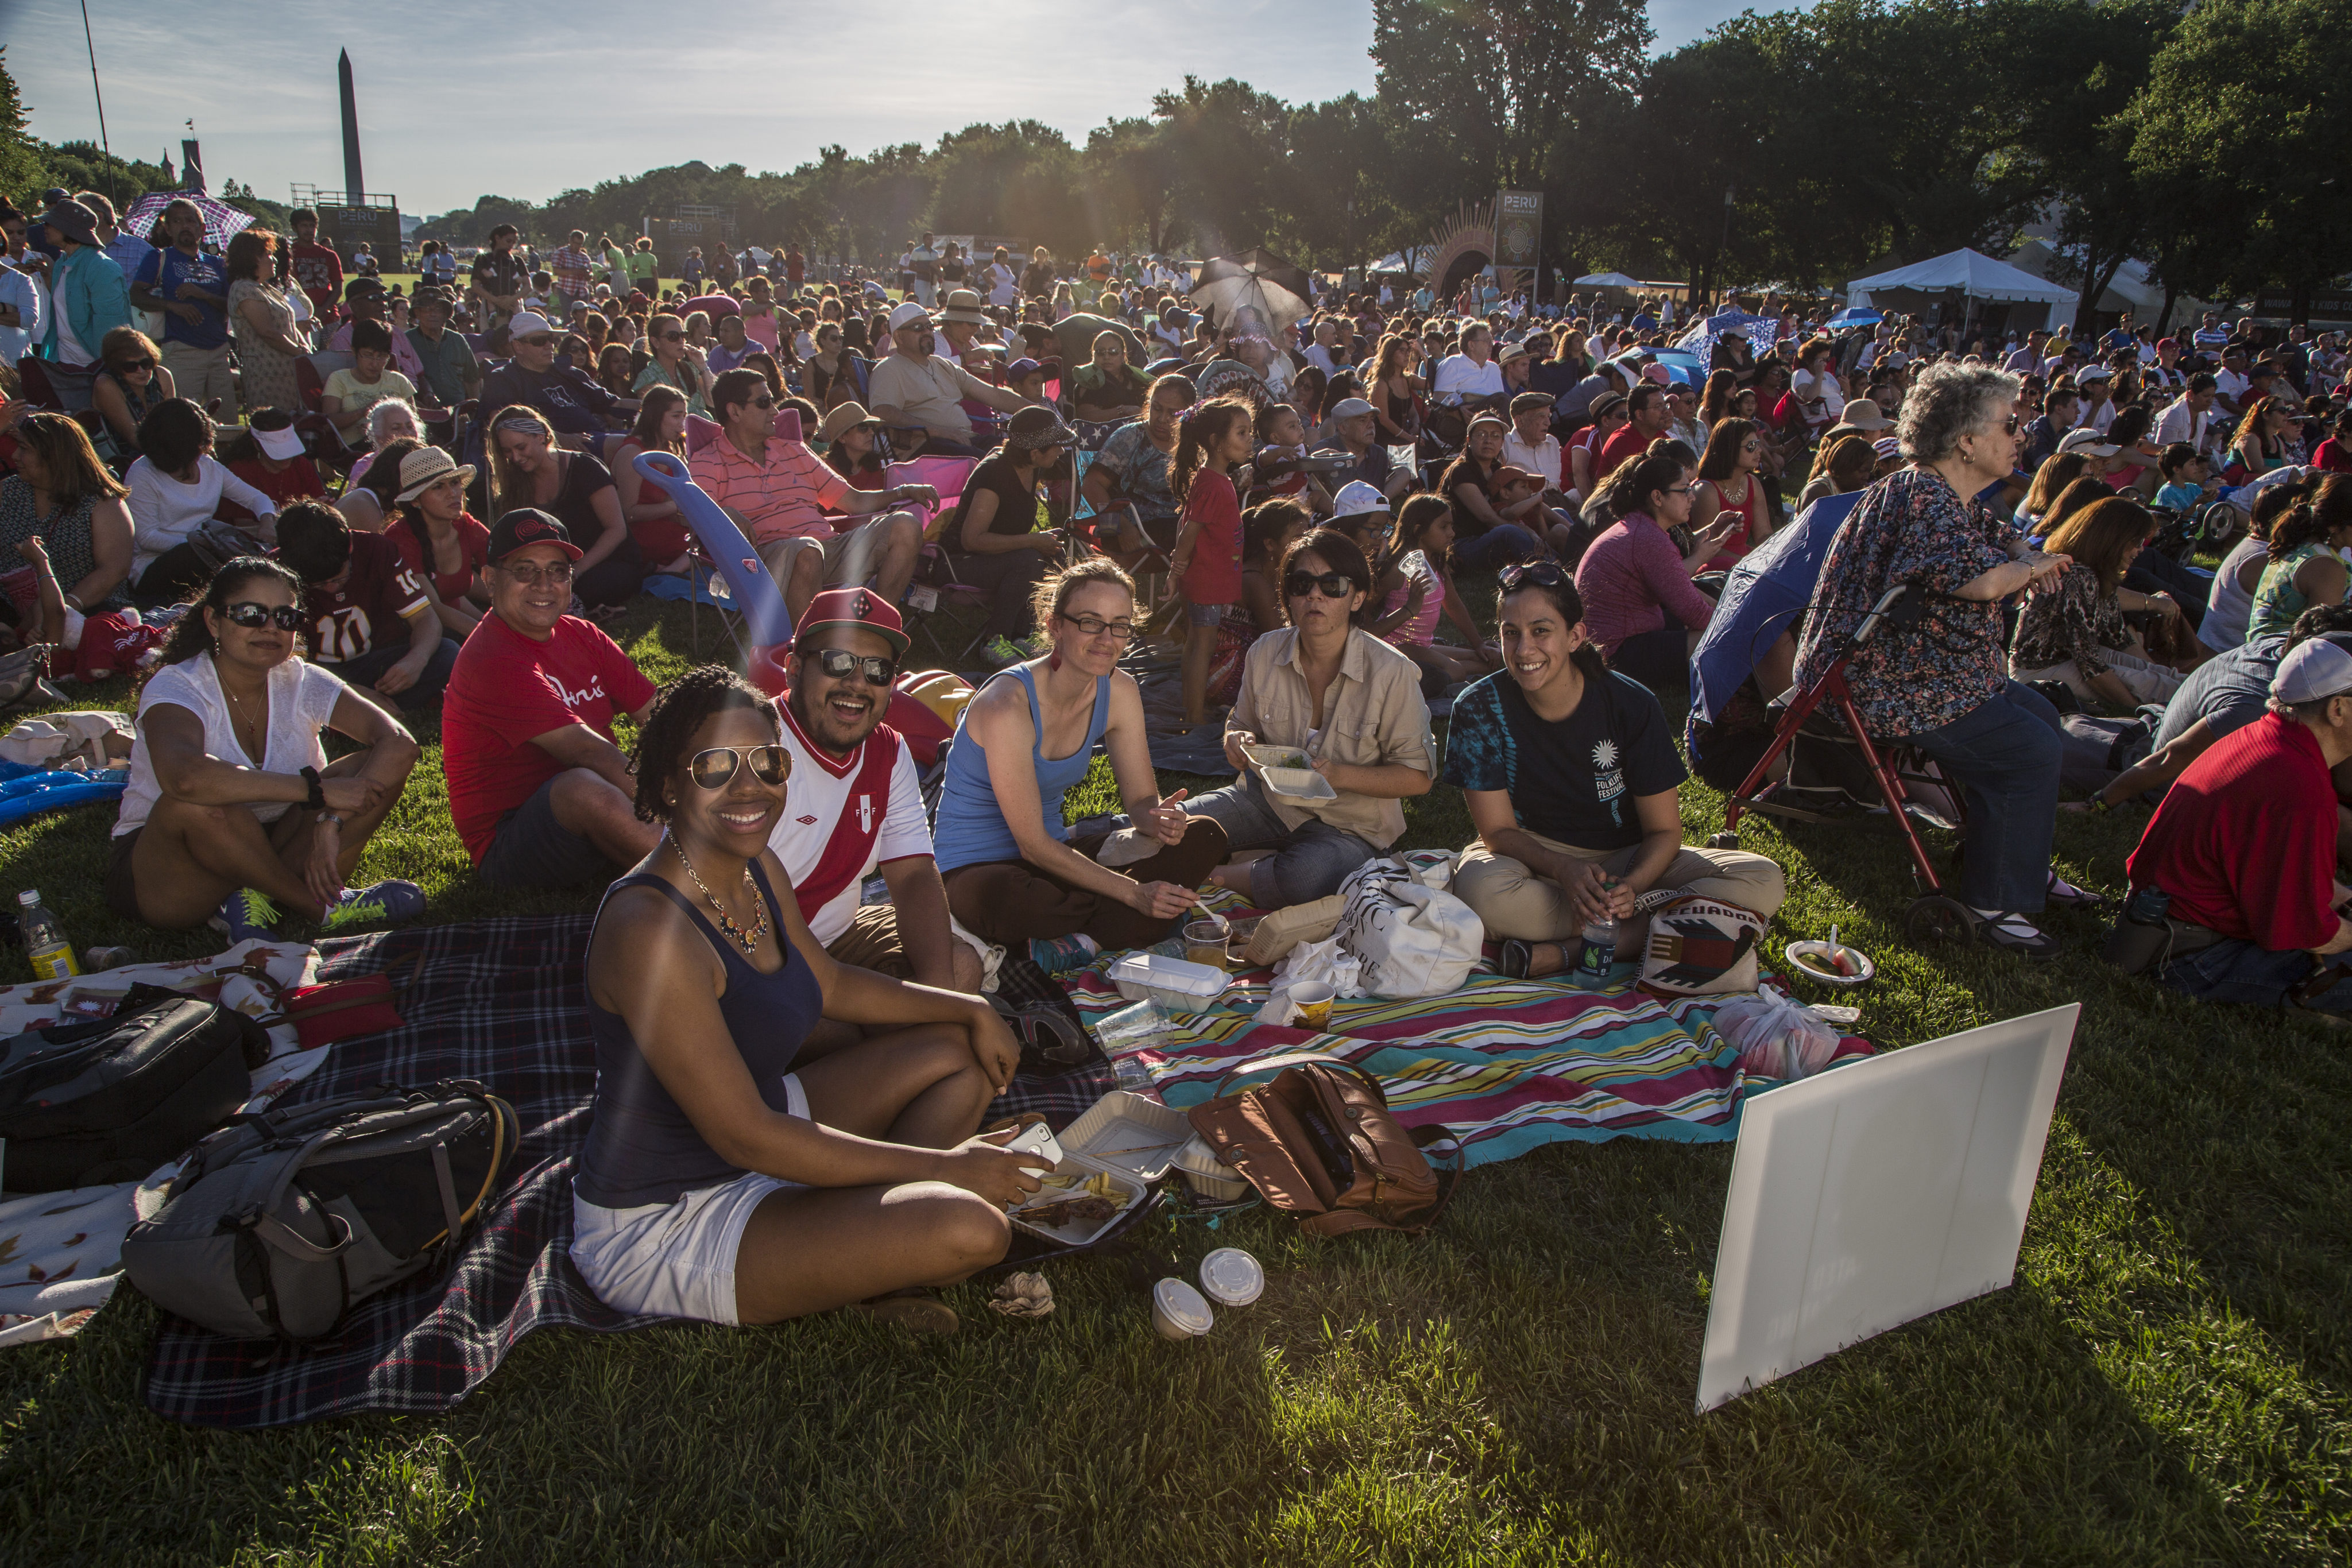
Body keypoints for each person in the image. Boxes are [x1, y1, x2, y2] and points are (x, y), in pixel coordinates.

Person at [572, 664, 1043, 1334]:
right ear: (669, 782)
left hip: (765, 1122)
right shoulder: (650, 930)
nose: (750, 786)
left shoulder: (754, 866)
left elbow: (830, 983)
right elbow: (745, 1136)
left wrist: (968, 1007)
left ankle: (864, 1232)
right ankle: (879, 1243)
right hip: (672, 1214)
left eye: (767, 763)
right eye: (716, 766)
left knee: (956, 1052)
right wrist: (952, 1168)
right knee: (974, 1230)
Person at [1790, 362, 2076, 957]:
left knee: (2042, 721)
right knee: (2030, 748)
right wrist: (2028, 569)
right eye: (2008, 423)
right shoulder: (1924, 496)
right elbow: (1977, 580)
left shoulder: (1941, 493)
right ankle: (1994, 902)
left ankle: (2010, 859)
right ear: (1965, 440)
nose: (2019, 435)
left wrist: (2026, 552)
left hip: (1924, 672)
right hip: (1882, 682)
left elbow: (1997, 540)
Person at [1446, 563, 1786, 978]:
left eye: (1540, 631)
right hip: (1533, 857)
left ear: (1575, 636)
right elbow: (1497, 833)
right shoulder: (1477, 706)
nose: (1523, 650)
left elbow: (1664, 832)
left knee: (1763, 879)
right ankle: (1665, 930)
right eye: (1510, 632)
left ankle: (1576, 950)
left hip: (1626, 860)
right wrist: (1563, 869)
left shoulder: (1631, 704)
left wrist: (1634, 886)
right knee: (1481, 891)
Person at [107, 556, 423, 941]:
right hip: (171, 863)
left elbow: (399, 744)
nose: (271, 627)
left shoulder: (302, 679)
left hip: (276, 841)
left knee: (368, 766)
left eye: (285, 617)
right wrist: (315, 791)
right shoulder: (178, 685)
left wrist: (331, 820)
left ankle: (253, 897)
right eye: (251, 614)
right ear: (213, 621)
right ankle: (321, 907)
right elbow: (185, 778)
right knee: (200, 801)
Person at [934, 559, 1228, 961]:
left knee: (1205, 834)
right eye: (1090, 622)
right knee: (1025, 901)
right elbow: (1032, 845)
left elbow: (1141, 801)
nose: (1107, 638)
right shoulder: (1007, 705)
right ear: (1055, 625)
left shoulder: (1120, 691)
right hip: (982, 870)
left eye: (1120, 625)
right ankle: (1133, 921)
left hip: (1055, 860)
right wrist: (1134, 893)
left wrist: (1156, 818)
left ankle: (1084, 940)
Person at [1176, 529, 1434, 907]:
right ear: (1289, 596)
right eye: (1302, 584)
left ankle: (1210, 876)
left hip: (1350, 827)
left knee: (1306, 877)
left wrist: (1339, 775)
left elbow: (1417, 777)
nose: (1315, 594)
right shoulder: (1264, 652)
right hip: (1270, 801)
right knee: (1176, 826)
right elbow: (1241, 722)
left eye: (1333, 585)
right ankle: (1238, 868)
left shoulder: (1392, 672)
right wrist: (1237, 740)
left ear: (1358, 596)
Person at [2118, 636, 2352, 1020]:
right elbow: (2307, 930)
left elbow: (2281, 869)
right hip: (2194, 956)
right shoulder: (2298, 786)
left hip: (2167, 926)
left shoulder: (2270, 738)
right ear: (2338, 708)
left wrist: (2344, 899)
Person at [764, 589, 982, 1000]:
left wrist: (942, 998)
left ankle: (904, 1047)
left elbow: (914, 874)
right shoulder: (759, 745)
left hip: (841, 937)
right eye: (838, 662)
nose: (858, 683)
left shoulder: (889, 749)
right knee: (823, 1025)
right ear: (793, 669)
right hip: (757, 952)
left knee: (961, 969)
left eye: (878, 670)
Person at [442, 509, 663, 889]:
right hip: (510, 843)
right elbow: (588, 752)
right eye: (525, 571)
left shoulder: (582, 634)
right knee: (579, 786)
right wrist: (675, 807)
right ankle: (700, 872)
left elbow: (659, 714)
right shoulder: (492, 658)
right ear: (490, 580)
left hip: (596, 806)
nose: (544, 584)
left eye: (558, 571)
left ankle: (693, 851)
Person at [688, 369, 928, 628]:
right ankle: (803, 650)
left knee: (906, 525)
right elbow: (694, 516)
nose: (775, 412)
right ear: (735, 412)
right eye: (764, 403)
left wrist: (905, 491)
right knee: (806, 550)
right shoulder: (709, 460)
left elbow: (854, 502)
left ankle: (874, 629)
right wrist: (724, 513)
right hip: (761, 562)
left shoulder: (794, 450)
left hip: (826, 549)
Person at [2083, 603, 2352, 813]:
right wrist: (2100, 804)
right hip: (2177, 791)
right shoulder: (2258, 711)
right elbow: (2170, 759)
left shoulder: (2287, 646)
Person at [272, 498, 457, 711]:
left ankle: (353, 713)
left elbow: (425, 618)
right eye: (319, 584)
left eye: (339, 578)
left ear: (350, 546)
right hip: (316, 674)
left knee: (447, 651)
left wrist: (416, 660)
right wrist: (347, 692)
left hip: (372, 662)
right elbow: (287, 666)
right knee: (285, 686)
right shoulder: (275, 574)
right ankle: (371, 709)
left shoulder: (378, 550)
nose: (332, 589)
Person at [1575, 444, 1731, 690]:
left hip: (1608, 643)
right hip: (1616, 655)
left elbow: (1683, 592)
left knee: (1716, 610)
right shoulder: (1649, 539)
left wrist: (1727, 609)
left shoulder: (1640, 528)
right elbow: (1694, 613)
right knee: (1726, 637)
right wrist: (1739, 623)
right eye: (1685, 490)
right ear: (1657, 497)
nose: (1692, 497)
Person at [2008, 496, 2186, 709]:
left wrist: (2156, 671)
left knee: (2170, 680)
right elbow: (2089, 664)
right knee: (2169, 691)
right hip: (2038, 671)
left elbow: (2119, 638)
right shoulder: (2076, 577)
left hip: (2067, 658)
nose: (2141, 550)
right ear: (2113, 538)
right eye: (2137, 542)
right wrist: (2135, 710)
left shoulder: (2095, 573)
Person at [945, 405, 1076, 668]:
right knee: (1028, 559)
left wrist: (1041, 541)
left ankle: (1021, 635)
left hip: (994, 558)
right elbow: (972, 539)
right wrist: (1032, 540)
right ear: (1035, 452)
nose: (1062, 451)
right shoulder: (994, 474)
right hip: (957, 563)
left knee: (1053, 555)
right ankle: (994, 640)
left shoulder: (1032, 467)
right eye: (1057, 446)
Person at [124, 399, 280, 607]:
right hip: (156, 564)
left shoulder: (209, 467)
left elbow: (256, 498)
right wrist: (202, 544)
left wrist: (267, 522)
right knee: (197, 559)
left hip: (206, 551)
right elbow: (147, 538)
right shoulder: (142, 473)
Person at [485, 406, 643, 609]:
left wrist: (575, 572)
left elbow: (617, 530)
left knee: (582, 590)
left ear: (541, 437)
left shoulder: (584, 467)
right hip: (554, 568)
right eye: (508, 452)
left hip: (606, 561)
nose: (515, 458)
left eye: (521, 447)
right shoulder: (517, 480)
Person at [1169, 396, 1255, 726]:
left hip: (1209, 576)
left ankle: (1193, 709)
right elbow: (1189, 531)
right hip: (1205, 580)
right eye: (1242, 433)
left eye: (1250, 432)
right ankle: (1193, 715)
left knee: (1197, 644)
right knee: (1201, 646)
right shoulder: (1214, 485)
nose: (1250, 440)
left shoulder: (1216, 479)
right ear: (1217, 443)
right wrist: (1176, 572)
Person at [0, 410, 133, 615]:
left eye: (24, 449)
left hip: (85, 611)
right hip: (12, 610)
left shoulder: (102, 503)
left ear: (53, 455)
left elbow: (113, 570)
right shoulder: (9, 491)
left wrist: (61, 610)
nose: (15, 456)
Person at [866, 302, 1028, 457]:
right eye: (918, 328)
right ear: (899, 337)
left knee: (1022, 452)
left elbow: (993, 395)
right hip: (926, 447)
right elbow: (882, 412)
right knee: (996, 463)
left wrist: (1038, 409)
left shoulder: (941, 365)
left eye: (929, 326)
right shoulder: (889, 368)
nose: (927, 332)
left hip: (963, 440)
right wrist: (939, 431)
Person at [1372, 491, 1495, 690]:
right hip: (1397, 645)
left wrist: (1479, 644)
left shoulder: (1438, 562)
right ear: (1419, 530)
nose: (1452, 533)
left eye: (1451, 526)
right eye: (1444, 526)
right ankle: (1418, 677)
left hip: (1424, 644)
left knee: (1486, 660)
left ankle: (1431, 671)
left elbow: (1454, 605)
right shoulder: (1398, 570)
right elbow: (1366, 609)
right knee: (1456, 670)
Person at [127, 198, 233, 411]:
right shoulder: (159, 257)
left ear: (202, 228)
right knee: (184, 418)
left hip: (219, 351)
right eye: (176, 221)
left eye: (190, 220)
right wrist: (173, 306)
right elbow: (136, 296)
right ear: (167, 228)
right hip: (180, 350)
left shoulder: (217, 263)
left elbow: (231, 305)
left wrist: (202, 295)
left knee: (226, 421)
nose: (184, 226)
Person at [36, 199, 131, 412]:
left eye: (50, 223)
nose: (45, 227)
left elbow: (112, 332)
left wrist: (105, 375)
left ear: (67, 229)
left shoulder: (102, 268)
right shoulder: (62, 262)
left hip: (95, 373)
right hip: (66, 369)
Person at [384, 444, 490, 635]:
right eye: (439, 487)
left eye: (455, 483)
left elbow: (506, 572)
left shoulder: (467, 526)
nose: (453, 493)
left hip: (453, 619)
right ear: (416, 501)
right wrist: (497, 638)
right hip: (408, 634)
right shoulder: (400, 539)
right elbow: (436, 610)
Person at [1084, 372, 1193, 553]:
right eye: (1157, 408)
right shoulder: (1130, 437)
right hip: (1127, 528)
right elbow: (1091, 485)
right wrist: (1122, 527)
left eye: (1173, 414)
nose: (1162, 419)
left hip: (1180, 524)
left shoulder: (1193, 442)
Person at [2247, 474, 2352, 640]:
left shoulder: (2302, 544)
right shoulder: (2326, 568)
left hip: (2259, 652)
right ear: (2335, 525)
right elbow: (2323, 642)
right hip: (2280, 660)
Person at [1440, 414, 1548, 572]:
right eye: (1481, 434)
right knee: (1509, 532)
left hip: (1490, 537)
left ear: (1502, 443)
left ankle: (1571, 555)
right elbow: (1488, 518)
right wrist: (1529, 532)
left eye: (1495, 436)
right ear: (1469, 440)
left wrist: (1565, 522)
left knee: (1559, 514)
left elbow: (1525, 499)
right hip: (1462, 545)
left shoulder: (1498, 469)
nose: (1488, 440)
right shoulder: (1461, 471)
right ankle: (1549, 571)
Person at [223, 228, 307, 419]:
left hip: (287, 373)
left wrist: (302, 344)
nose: (275, 259)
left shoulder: (266, 288)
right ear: (253, 258)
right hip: (267, 377)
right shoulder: (245, 290)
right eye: (269, 254)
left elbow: (289, 323)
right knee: (274, 428)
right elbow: (267, 332)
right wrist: (299, 352)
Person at [1689, 417, 1773, 568]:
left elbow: (1764, 535)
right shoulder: (1706, 491)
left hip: (1741, 558)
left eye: (1758, 444)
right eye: (1751, 446)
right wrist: (1749, 563)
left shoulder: (1752, 483)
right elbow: (1706, 547)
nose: (1759, 450)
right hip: (1713, 563)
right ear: (1730, 448)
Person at [321, 321, 419, 441]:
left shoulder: (398, 380)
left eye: (382, 356)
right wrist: (363, 412)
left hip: (399, 445)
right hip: (357, 449)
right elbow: (327, 425)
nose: (375, 363)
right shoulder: (339, 379)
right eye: (368, 355)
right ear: (354, 351)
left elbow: (414, 422)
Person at [88, 325, 174, 458]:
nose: (141, 371)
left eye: (146, 363)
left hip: (165, 452)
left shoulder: (163, 375)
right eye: (131, 366)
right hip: (124, 460)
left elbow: (172, 424)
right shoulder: (107, 385)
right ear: (116, 366)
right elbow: (135, 439)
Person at [405, 287, 480, 411]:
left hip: (458, 412)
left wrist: (475, 411)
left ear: (446, 314)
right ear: (417, 313)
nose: (433, 314)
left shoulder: (458, 340)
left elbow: (472, 378)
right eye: (427, 310)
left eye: (438, 309)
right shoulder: (407, 340)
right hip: (421, 412)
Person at [634, 311, 709, 417]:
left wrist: (702, 366)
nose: (681, 341)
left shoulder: (690, 368)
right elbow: (657, 419)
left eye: (683, 335)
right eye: (673, 336)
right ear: (656, 342)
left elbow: (712, 401)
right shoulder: (647, 378)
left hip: (703, 427)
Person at [1070, 331, 1150, 423]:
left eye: (1113, 352)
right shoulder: (1088, 381)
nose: (1107, 357)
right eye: (1101, 352)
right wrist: (1122, 410)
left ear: (1123, 355)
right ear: (1093, 355)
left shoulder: (1137, 379)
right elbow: (1086, 418)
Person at [471, 224, 529, 327]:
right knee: (491, 336)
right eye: (508, 241)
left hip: (514, 305)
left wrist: (511, 299)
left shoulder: (517, 260)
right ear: (497, 238)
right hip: (490, 304)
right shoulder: (483, 259)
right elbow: (475, 285)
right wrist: (496, 301)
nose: (511, 245)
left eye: (514, 243)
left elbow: (528, 286)